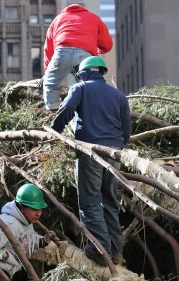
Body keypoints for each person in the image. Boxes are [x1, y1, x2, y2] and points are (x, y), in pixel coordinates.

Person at [51, 55, 131, 265]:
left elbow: (66, 111)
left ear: (84, 74)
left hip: (90, 151)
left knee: (90, 201)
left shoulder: (81, 88)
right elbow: (127, 131)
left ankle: (100, 249)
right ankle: (116, 251)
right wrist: (117, 146)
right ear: (101, 73)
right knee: (109, 202)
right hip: (114, 153)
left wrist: (54, 132)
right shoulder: (119, 96)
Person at [42, 4, 113, 111]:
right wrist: (97, 50)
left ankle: (53, 111)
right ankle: (89, 110)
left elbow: (48, 49)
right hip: (84, 57)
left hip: (61, 54)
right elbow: (107, 45)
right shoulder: (93, 18)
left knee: (50, 83)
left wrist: (47, 73)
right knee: (88, 84)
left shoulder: (57, 19)